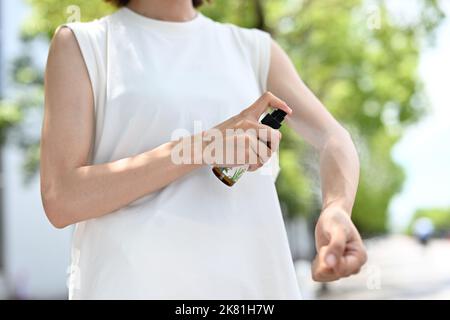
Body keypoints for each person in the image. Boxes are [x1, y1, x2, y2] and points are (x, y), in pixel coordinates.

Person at [41, 0, 367, 299]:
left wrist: (336, 208)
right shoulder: (84, 44)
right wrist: (203, 147)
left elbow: (332, 139)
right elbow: (62, 198)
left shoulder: (254, 49)